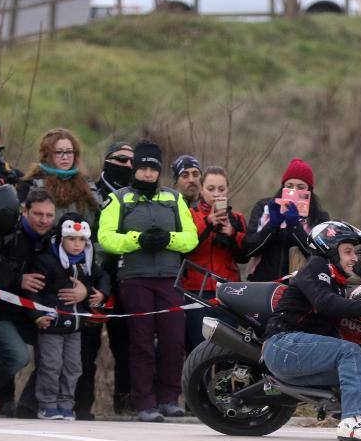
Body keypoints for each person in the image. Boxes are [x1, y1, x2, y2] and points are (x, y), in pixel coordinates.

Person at [263, 221, 361, 441]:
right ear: (329, 250)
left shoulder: (335, 283)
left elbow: (339, 305)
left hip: (299, 353)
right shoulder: (315, 267)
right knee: (349, 352)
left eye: (354, 253)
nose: (354, 258)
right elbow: (326, 303)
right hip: (282, 345)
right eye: (348, 251)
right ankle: (352, 421)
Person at [98, 141, 198, 422]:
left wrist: (169, 240)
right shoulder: (119, 199)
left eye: (152, 169)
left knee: (173, 340)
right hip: (135, 277)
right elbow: (105, 238)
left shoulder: (173, 198)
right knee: (141, 341)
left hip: (168, 278)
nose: (147, 174)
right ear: (135, 169)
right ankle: (144, 402)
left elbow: (190, 237)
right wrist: (136, 240)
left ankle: (169, 397)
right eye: (142, 168)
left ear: (159, 172)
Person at [29, 213, 110, 420]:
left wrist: (100, 293)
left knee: (74, 367)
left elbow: (104, 278)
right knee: (51, 365)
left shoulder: (88, 263)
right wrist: (37, 315)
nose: (76, 244)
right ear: (61, 238)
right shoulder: (46, 261)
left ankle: (66, 404)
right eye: (71, 239)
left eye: (81, 240)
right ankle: (47, 404)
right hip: (52, 325)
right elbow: (33, 291)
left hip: (75, 327)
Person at [75, 141, 134, 420]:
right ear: (107, 160)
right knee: (86, 348)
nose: (127, 165)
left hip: (125, 279)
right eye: (121, 159)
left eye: (132, 161)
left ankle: (125, 408)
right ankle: (81, 408)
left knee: (126, 346)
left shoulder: (137, 196)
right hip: (92, 277)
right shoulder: (88, 191)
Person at [0, 188, 59, 417]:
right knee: (17, 356)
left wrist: (83, 289)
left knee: (58, 355)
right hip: (1, 312)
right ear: (25, 211)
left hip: (35, 313)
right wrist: (19, 279)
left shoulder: (55, 239)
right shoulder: (7, 233)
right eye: (38, 214)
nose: (44, 220)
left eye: (49, 215)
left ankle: (26, 406)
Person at [182, 166, 249, 353]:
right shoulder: (189, 214)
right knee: (198, 349)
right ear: (201, 189)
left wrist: (232, 234)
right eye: (211, 189)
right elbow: (185, 249)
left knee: (227, 350)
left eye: (221, 189)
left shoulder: (237, 218)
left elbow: (244, 256)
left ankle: (223, 382)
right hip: (196, 290)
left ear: (228, 189)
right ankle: (199, 384)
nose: (216, 194)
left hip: (228, 291)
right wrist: (208, 223)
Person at [244, 158, 330, 282]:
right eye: (289, 186)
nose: (294, 191)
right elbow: (248, 249)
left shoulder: (319, 218)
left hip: (299, 288)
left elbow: (320, 258)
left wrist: (295, 227)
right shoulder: (264, 208)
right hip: (261, 283)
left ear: (309, 191)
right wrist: (272, 226)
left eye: (301, 187)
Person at [17, 128, 99, 224]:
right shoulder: (30, 184)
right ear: (47, 155)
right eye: (58, 152)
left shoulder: (87, 184)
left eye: (69, 152)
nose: (65, 157)